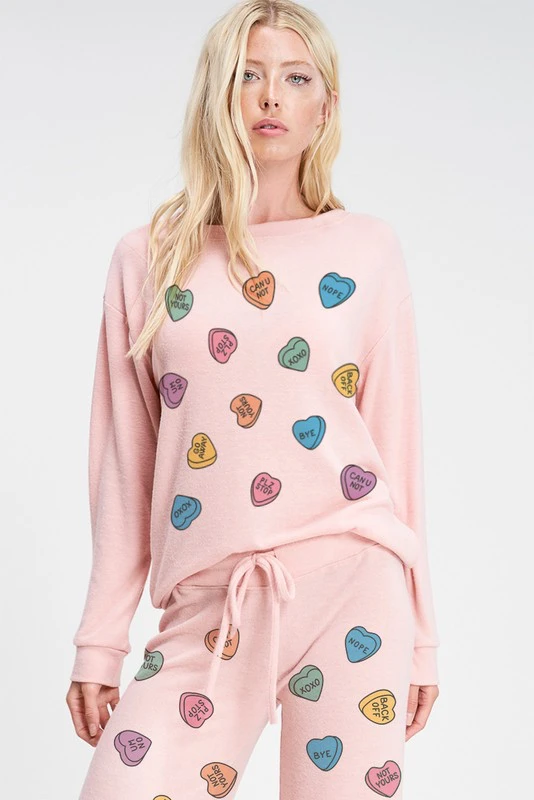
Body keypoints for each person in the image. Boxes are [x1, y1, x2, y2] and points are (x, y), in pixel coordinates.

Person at [65, 1, 440, 797]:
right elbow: (125, 467)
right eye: (249, 75)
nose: (271, 96)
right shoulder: (149, 259)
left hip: (354, 589)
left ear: (325, 106)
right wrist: (101, 640)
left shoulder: (366, 252)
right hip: (209, 603)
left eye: (296, 78)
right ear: (217, 94)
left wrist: (421, 638)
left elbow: (396, 448)